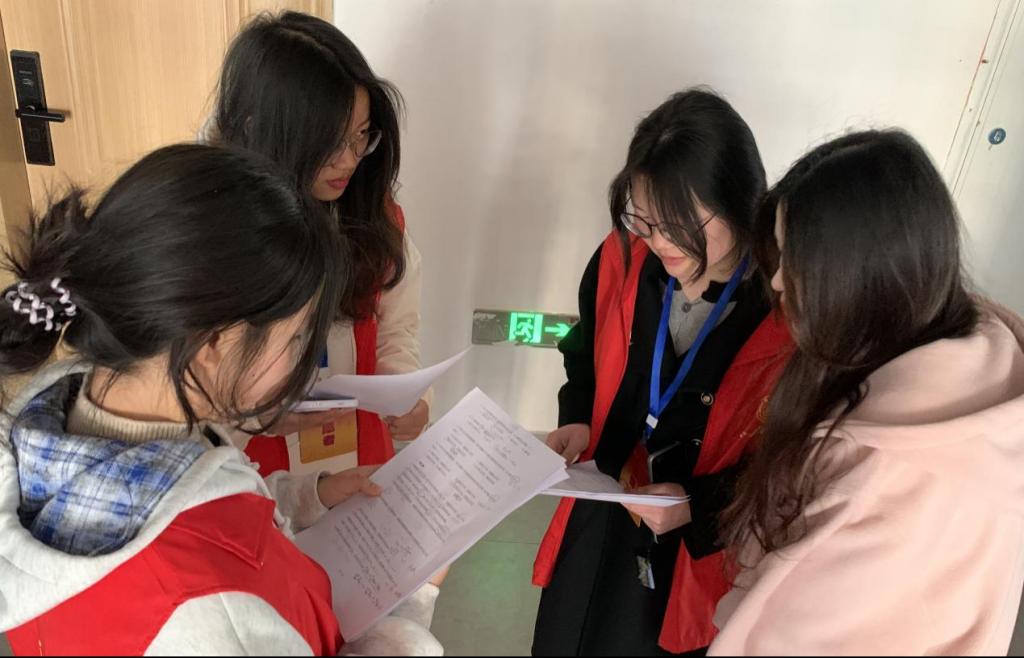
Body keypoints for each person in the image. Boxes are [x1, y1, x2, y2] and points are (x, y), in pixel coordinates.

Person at [0, 144, 441, 655]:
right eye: (297, 338)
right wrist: (412, 603)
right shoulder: (209, 615)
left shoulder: (59, 425)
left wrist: (308, 497)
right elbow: (206, 561)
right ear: (213, 344)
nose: (301, 362)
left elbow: (182, 506)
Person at [711, 130, 1024, 655]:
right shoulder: (979, 367)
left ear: (861, 272)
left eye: (796, 259)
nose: (780, 282)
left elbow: (777, 640)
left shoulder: (885, 478)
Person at [532, 88, 772, 655]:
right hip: (605, 507)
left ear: (739, 201)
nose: (660, 240)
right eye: (644, 217)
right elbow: (583, 351)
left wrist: (701, 506)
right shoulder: (623, 260)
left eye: (682, 222)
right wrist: (578, 416)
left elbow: (796, 462)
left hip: (697, 550)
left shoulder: (781, 310)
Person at [207, 11, 430, 477]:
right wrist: (254, 418)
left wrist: (409, 396)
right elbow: (178, 392)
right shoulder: (208, 234)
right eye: (329, 143)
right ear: (257, 128)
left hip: (359, 459)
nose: (348, 162)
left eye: (361, 136)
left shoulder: (373, 213)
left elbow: (396, 329)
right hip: (256, 471)